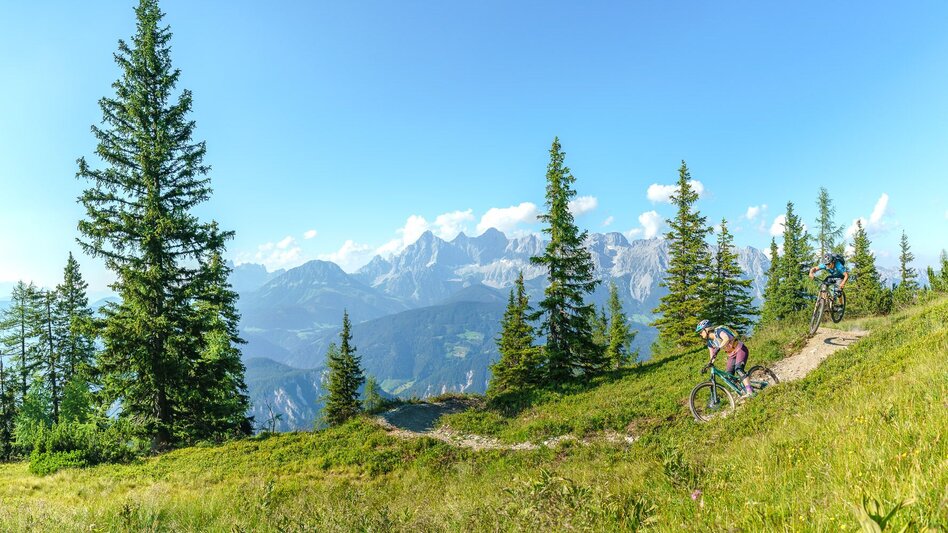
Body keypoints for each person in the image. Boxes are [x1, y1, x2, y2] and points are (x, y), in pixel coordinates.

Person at [696, 319, 753, 396]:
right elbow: (712, 355)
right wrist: (709, 364)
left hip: (740, 349)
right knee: (728, 376)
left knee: (739, 369)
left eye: (701, 331)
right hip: (731, 355)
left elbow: (726, 338)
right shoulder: (709, 342)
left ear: (707, 329)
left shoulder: (718, 331)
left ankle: (750, 391)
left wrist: (719, 347)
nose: (700, 334)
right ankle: (742, 389)